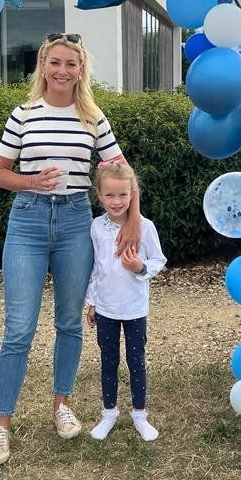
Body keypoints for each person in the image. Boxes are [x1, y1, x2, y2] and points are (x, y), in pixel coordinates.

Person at [0, 33, 142, 467]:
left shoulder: (93, 117)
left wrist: (131, 218)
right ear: (43, 65)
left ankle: (61, 405)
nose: (62, 71)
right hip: (28, 221)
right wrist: (31, 181)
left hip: (75, 222)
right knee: (19, 327)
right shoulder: (24, 114)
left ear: (81, 70)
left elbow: (120, 170)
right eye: (55, 62)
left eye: (71, 64)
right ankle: (1, 426)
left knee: (70, 322)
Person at [84, 162, 167, 442]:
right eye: (110, 195)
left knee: (136, 361)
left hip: (134, 309)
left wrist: (140, 267)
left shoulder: (145, 227)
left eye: (122, 195)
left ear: (133, 194)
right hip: (106, 309)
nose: (116, 201)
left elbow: (159, 261)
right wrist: (92, 302)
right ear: (99, 195)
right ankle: (109, 413)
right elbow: (96, 267)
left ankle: (140, 415)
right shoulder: (96, 227)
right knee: (108, 361)